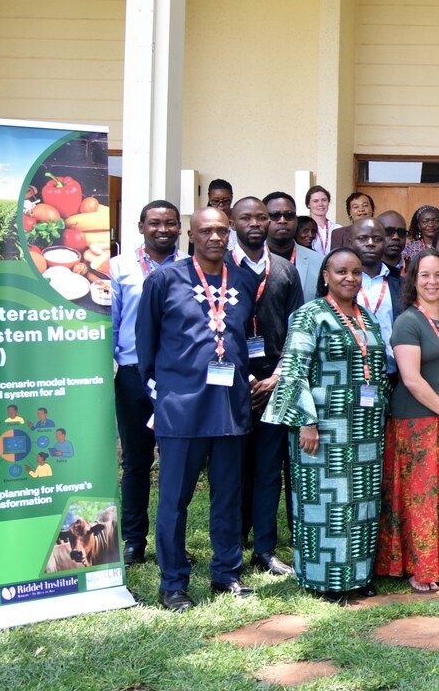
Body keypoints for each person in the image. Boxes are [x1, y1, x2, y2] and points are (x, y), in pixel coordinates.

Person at [136, 206, 259, 611]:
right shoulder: (164, 280)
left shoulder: (244, 279)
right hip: (182, 407)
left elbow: (248, 339)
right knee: (174, 500)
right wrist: (167, 390)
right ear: (191, 234)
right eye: (206, 230)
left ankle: (227, 574)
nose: (215, 238)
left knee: (228, 496)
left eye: (222, 231)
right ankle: (173, 583)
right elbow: (146, 346)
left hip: (229, 407)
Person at [263, 248, 389, 603]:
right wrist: (306, 421)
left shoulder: (366, 316)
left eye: (356, 272)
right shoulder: (310, 315)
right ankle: (324, 581)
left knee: (361, 503)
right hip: (324, 429)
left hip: (365, 429)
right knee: (327, 505)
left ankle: (358, 575)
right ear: (325, 276)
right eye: (341, 272)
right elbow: (293, 370)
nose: (349, 278)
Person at [380, 252, 439, 593]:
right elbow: (411, 378)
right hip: (418, 421)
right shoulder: (408, 321)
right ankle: (419, 568)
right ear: (413, 280)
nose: (432, 281)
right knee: (420, 497)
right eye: (424, 275)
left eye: (438, 275)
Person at [232, 196, 304, 578]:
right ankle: (231, 543)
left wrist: (278, 376)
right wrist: (244, 378)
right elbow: (215, 330)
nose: (258, 223)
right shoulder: (222, 269)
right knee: (232, 469)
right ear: (233, 223)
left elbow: (298, 332)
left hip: (276, 383)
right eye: (248, 217)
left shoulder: (285, 272)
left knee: (268, 471)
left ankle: (265, 549)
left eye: (263, 216)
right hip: (231, 384)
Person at [109, 200, 178, 566]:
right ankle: (134, 541)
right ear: (140, 227)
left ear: (180, 228)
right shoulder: (119, 268)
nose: (162, 229)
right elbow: (113, 322)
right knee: (136, 462)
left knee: (176, 461)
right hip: (136, 376)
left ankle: (173, 542)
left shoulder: (190, 267)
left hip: (179, 378)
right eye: (155, 223)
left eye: (170, 223)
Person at [348, 219, 403, 363]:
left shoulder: (400, 282)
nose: (370, 243)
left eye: (377, 239)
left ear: (385, 243)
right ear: (350, 242)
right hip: (353, 368)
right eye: (362, 238)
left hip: (393, 370)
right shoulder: (341, 283)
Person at [265, 192, 323, 302]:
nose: (282, 220)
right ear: (263, 220)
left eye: (289, 215)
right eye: (274, 215)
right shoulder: (249, 261)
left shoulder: (319, 261)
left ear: (296, 221)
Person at [304, 185, 336, 255]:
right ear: (308, 204)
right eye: (316, 201)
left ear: (328, 202)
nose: (320, 204)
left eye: (324, 200)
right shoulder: (302, 228)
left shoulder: (337, 228)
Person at [378, 210, 412, 277]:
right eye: (388, 231)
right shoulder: (366, 270)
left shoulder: (415, 269)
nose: (396, 237)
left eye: (401, 232)